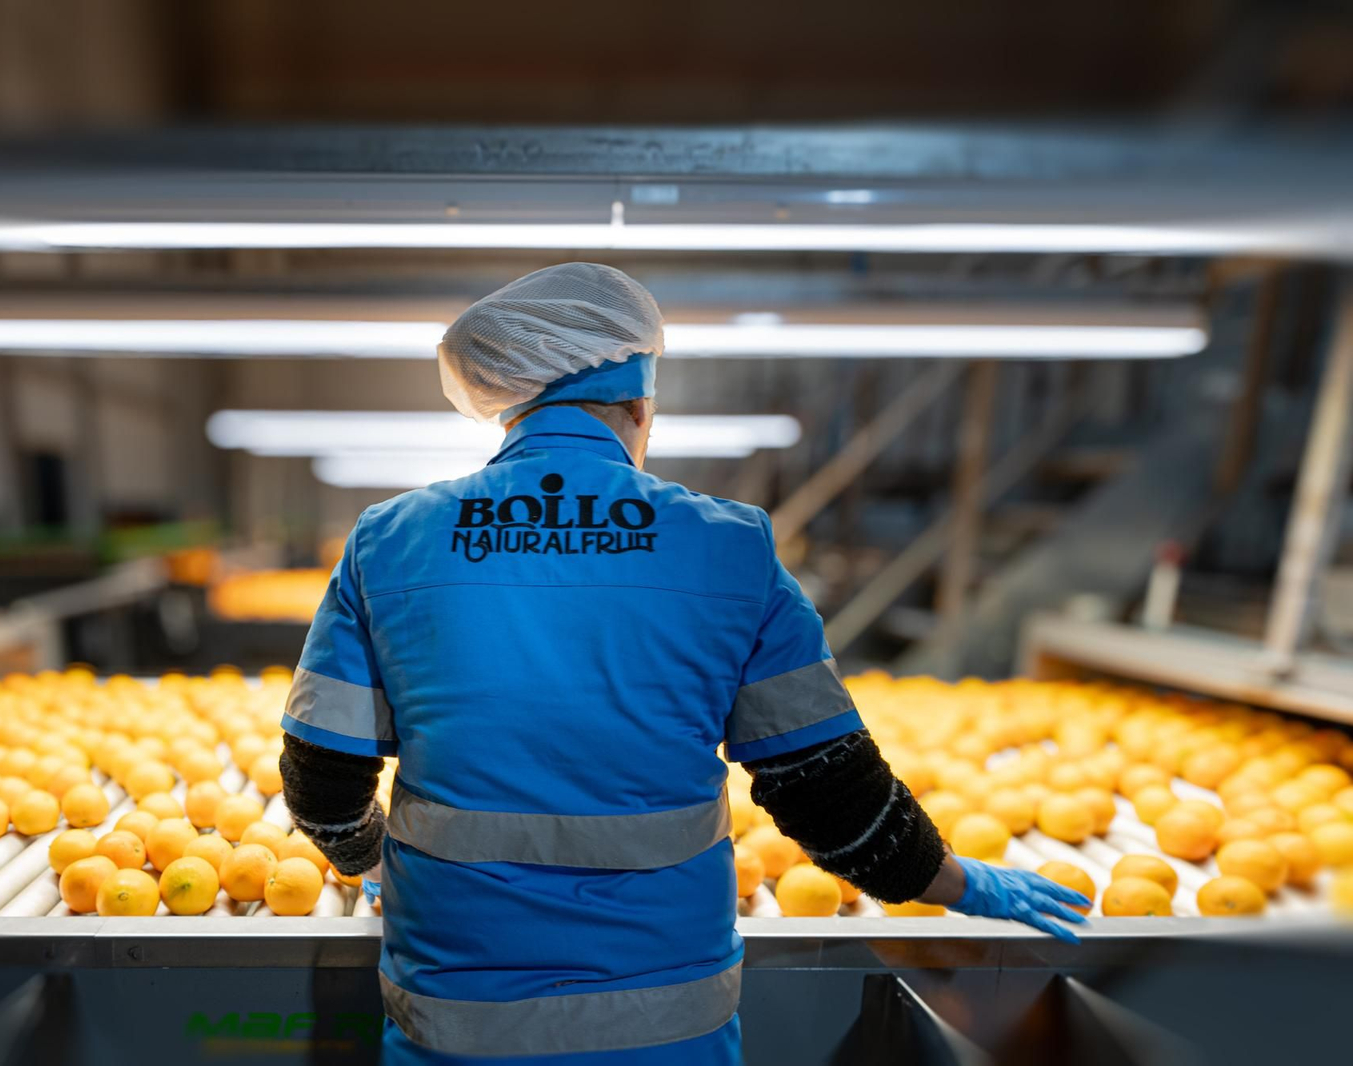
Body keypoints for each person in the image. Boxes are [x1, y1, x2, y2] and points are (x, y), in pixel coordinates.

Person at [279, 263, 1087, 1064]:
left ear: (513, 407)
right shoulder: (729, 547)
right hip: (667, 1023)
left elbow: (321, 778)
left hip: (458, 1016)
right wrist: (952, 882)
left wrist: (366, 856)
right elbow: (829, 792)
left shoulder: (390, 540)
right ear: (639, 407)